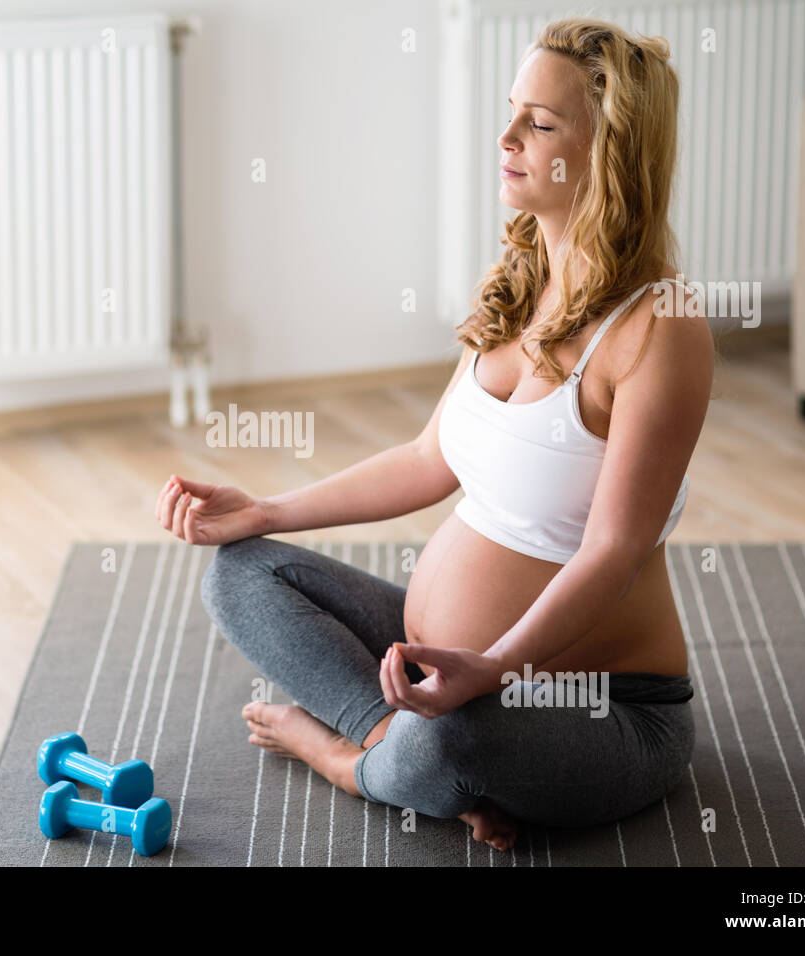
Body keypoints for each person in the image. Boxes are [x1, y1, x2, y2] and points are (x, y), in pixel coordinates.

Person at [154, 17, 713, 852]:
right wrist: (262, 509)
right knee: (242, 572)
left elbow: (614, 550)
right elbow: (427, 459)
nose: (508, 135)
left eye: (541, 122)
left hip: (600, 708)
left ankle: (350, 759)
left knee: (459, 738)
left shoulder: (659, 329)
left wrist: (491, 671)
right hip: (444, 669)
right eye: (513, 109)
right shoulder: (522, 283)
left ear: (608, 156)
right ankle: (404, 751)